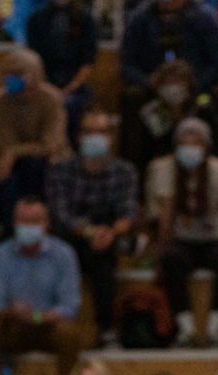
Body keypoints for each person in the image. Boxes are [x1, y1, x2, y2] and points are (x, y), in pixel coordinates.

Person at [0, 196, 83, 375]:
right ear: (14, 223)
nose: (29, 227)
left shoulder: (63, 254)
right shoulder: (1, 254)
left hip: (48, 325)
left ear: (47, 223)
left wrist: (41, 316)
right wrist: (11, 311)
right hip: (13, 324)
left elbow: (69, 305)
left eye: (35, 221)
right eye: (24, 221)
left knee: (70, 334)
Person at [44, 107, 139, 349]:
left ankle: (106, 329)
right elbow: (61, 215)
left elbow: (127, 212)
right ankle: (50, 324)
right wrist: (91, 232)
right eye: (89, 131)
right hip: (69, 238)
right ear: (79, 136)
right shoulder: (60, 170)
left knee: (104, 258)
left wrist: (111, 232)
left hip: (106, 239)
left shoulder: (124, 171)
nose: (95, 137)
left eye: (101, 131)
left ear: (111, 136)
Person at [146, 117, 218, 348]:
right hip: (183, 241)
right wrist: (159, 254)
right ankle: (186, 328)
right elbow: (166, 217)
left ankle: (215, 328)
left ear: (206, 146)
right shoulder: (165, 170)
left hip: (214, 240)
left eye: (195, 143)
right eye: (184, 143)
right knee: (171, 258)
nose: (189, 149)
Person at [118, 0, 218, 158]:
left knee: (209, 104)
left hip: (195, 95)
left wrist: (191, 85)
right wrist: (148, 81)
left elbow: (217, 64)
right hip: (154, 96)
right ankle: (142, 165)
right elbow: (127, 65)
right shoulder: (139, 18)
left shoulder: (204, 17)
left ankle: (211, 161)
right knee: (134, 101)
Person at [0, 47, 72, 232]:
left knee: (39, 169)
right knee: (7, 180)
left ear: (35, 75)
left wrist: (15, 152)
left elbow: (50, 145)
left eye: (17, 73)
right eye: (7, 73)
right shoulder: (0, 101)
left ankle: (52, 231)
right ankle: (10, 233)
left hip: (53, 161)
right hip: (18, 163)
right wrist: (14, 153)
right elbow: (6, 142)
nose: (10, 78)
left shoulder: (52, 99)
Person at [121, 58, 218, 180]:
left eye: (179, 81)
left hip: (200, 164)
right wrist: (170, 115)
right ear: (159, 85)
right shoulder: (152, 112)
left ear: (189, 84)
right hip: (164, 167)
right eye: (168, 81)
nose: (173, 86)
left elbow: (215, 145)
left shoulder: (202, 110)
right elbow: (147, 151)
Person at [26, 0, 99, 146]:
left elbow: (87, 62)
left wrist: (69, 89)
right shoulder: (36, 19)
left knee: (71, 107)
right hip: (44, 86)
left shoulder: (85, 19)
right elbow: (34, 61)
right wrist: (49, 90)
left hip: (76, 88)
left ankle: (73, 156)